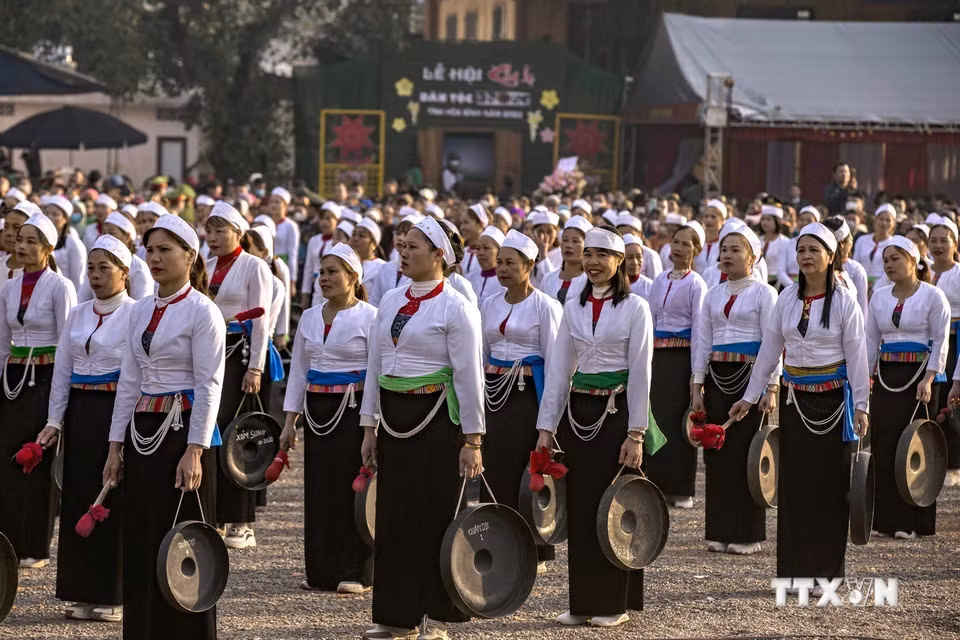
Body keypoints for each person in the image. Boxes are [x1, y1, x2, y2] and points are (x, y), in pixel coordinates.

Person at [358, 217, 484, 640]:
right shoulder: (391, 299)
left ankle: (436, 616)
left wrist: (472, 438)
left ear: (439, 256)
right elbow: (375, 365)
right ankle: (396, 615)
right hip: (393, 418)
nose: (404, 252)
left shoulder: (455, 306)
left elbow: (468, 375)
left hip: (436, 419)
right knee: (394, 515)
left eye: (414, 246)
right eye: (402, 244)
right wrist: (368, 425)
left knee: (434, 516)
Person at [104, 213, 225, 639]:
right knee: (141, 539)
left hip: (182, 434)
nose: (154, 258)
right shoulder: (138, 311)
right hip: (143, 431)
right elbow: (129, 381)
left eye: (165, 250)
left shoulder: (203, 312)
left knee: (181, 542)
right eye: (150, 250)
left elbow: (209, 385)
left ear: (190, 256)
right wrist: (115, 446)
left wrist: (196, 450)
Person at [730, 223, 870, 585]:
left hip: (833, 402)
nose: (806, 256)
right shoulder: (787, 298)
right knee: (794, 487)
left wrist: (862, 405)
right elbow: (770, 351)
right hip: (794, 402)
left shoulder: (844, 301)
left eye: (813, 250)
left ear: (830, 255)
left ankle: (826, 574)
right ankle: (793, 572)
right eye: (801, 250)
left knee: (829, 486)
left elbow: (857, 355)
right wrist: (749, 396)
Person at [535, 226, 656, 628]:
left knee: (617, 507)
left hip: (618, 411)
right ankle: (583, 601)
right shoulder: (573, 304)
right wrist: (546, 428)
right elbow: (559, 370)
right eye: (588, 254)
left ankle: (614, 603)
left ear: (619, 261)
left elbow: (641, 373)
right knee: (584, 506)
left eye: (602, 254)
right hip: (579, 413)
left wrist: (635, 432)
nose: (592, 262)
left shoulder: (636, 308)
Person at [42, 235, 134, 622]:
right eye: (91, 268)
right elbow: (62, 371)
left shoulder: (135, 313)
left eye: (105, 268)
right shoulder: (79, 314)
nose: (96, 275)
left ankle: (112, 592)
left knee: (110, 495)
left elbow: (134, 375)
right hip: (80, 412)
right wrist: (53, 421)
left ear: (125, 273)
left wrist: (124, 430)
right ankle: (80, 590)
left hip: (116, 410)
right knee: (79, 492)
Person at [280, 243, 376, 594]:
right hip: (318, 411)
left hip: (353, 410)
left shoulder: (370, 316)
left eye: (333, 272)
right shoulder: (309, 316)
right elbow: (299, 373)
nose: (324, 278)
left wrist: (371, 426)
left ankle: (356, 569)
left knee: (352, 488)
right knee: (319, 488)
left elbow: (375, 375)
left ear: (352, 277)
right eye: (321, 272)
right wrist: (290, 421)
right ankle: (320, 569)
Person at [691, 224, 778, 555]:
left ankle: (747, 533)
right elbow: (703, 340)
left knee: (747, 454)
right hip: (718, 377)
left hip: (750, 377)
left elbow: (773, 342)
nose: (726, 255)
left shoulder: (764, 293)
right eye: (723, 249)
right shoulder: (712, 294)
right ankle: (719, 528)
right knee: (717, 452)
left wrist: (771, 386)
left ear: (753, 257)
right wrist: (698, 383)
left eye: (735, 250)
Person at [479, 230, 561, 571]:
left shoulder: (546, 306)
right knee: (494, 466)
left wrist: (549, 419)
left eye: (511, 263)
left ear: (530, 266)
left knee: (525, 470)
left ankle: (533, 546)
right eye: (500, 262)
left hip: (529, 395)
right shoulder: (489, 303)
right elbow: (482, 353)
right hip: (495, 392)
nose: (503, 269)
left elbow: (556, 363)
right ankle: (496, 540)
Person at [0, 210, 77, 568]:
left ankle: (36, 544)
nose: (24, 246)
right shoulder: (9, 285)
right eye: (20, 240)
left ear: (48, 249)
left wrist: (63, 394)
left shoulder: (60, 286)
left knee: (38, 457)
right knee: (9, 456)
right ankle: (9, 540)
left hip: (46, 377)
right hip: (14, 378)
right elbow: (3, 340)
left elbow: (67, 342)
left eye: (32, 241)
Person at [866, 236, 948, 539]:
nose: (889, 264)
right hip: (888, 376)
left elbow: (941, 339)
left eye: (895, 258)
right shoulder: (880, 296)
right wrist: (865, 375)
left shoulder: (932, 295)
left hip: (920, 377)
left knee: (916, 444)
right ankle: (886, 520)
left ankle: (914, 521)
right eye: (885, 259)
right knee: (886, 443)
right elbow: (871, 339)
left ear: (914, 261)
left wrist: (929, 378)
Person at [204, 201, 272, 549]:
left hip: (239, 355)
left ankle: (242, 521)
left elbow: (261, 323)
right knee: (212, 431)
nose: (212, 237)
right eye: (210, 230)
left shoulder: (254, 266)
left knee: (238, 435)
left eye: (220, 230)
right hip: (212, 352)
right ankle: (214, 513)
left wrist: (255, 367)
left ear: (238, 233)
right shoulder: (207, 263)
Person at [646, 220, 707, 508]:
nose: (679, 248)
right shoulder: (659, 280)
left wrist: (697, 376)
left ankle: (682, 486)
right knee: (657, 417)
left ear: (696, 249)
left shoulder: (697, 283)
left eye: (686, 243)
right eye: (676, 241)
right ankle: (657, 480)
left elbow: (699, 329)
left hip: (683, 358)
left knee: (680, 420)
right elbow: (651, 319)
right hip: (659, 357)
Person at [929, 216, 960, 486]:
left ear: (955, 243)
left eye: (944, 240)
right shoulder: (921, 270)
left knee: (952, 400)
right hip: (929, 344)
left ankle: (954, 462)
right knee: (932, 399)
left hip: (955, 344)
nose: (938, 245)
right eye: (933, 240)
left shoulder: (959, 273)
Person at [78, 212, 154, 301]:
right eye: (104, 233)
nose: (107, 238)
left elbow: (141, 306)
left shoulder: (139, 268)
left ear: (127, 236)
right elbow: (82, 297)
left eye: (111, 233)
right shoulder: (95, 263)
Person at [538, 215, 591, 304]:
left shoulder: (589, 282)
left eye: (575, 241)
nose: (569, 245)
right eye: (565, 240)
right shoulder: (548, 279)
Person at [43, 193, 87, 290]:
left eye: (55, 214)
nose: (49, 217)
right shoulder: (40, 240)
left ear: (65, 219)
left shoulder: (74, 244)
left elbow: (77, 279)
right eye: (46, 213)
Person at [301, 201, 341, 308]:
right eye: (322, 218)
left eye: (328, 219)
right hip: (316, 288)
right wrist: (305, 292)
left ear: (337, 221)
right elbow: (308, 268)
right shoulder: (313, 240)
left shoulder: (339, 243)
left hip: (333, 288)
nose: (324, 222)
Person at [852, 204, 896, 291]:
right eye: (881, 219)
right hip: (859, 286)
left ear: (893, 224)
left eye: (888, 220)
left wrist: (875, 288)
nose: (884, 223)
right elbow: (855, 264)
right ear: (875, 220)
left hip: (884, 288)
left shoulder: (894, 243)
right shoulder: (861, 240)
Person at [778, 205, 819, 290]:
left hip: (813, 288)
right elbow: (781, 271)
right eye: (801, 220)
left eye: (809, 220)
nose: (804, 223)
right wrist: (794, 287)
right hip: (788, 288)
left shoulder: (820, 246)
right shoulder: (787, 243)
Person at [269, 186, 300, 296]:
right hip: (267, 267)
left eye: (277, 202)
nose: (273, 205)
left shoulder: (290, 226)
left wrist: (292, 282)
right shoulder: (266, 223)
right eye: (271, 202)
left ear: (285, 205)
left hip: (283, 268)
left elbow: (293, 254)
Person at [616, 212, 661, 280]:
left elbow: (656, 282)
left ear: (640, 234)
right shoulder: (614, 254)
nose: (626, 237)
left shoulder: (650, 255)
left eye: (630, 234)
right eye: (622, 235)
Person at [466, 226, 506, 303]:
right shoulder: (469, 280)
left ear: (499, 251)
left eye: (486, 248)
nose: (480, 253)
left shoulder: (505, 283)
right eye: (478, 248)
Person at [759, 204, 789, 289]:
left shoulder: (785, 242)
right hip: (758, 281)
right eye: (763, 219)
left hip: (778, 283)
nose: (765, 222)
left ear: (777, 221)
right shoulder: (757, 240)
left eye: (769, 219)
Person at [693, 199, 726, 274]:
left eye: (713, 217)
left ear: (722, 220)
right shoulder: (697, 243)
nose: (708, 220)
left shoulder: (724, 246)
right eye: (706, 216)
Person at [459, 203, 489, 276]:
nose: (462, 227)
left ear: (480, 224)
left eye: (466, 222)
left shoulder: (489, 255)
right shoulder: (461, 254)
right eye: (462, 223)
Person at [623, 233, 652, 300]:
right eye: (630, 257)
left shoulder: (650, 286)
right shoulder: (611, 285)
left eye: (639, 257)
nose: (635, 263)